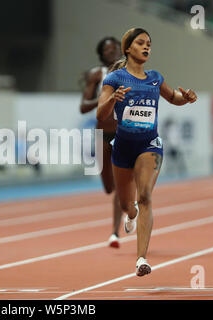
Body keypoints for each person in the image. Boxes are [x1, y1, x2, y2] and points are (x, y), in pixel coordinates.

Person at [97, 28, 197, 276]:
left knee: (146, 198)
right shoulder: (115, 79)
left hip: (149, 145)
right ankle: (130, 214)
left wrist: (186, 98)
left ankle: (141, 259)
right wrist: (113, 99)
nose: (146, 47)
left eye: (149, 44)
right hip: (121, 148)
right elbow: (100, 114)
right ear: (128, 48)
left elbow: (173, 97)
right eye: (140, 43)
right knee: (127, 205)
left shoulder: (155, 77)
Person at [80, 36, 137, 249]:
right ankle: (126, 202)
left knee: (119, 181)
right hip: (101, 134)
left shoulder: (129, 72)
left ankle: (114, 233)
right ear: (101, 53)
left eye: (115, 49)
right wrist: (106, 98)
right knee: (108, 187)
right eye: (107, 50)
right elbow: (83, 107)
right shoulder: (96, 75)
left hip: (123, 133)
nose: (112, 53)